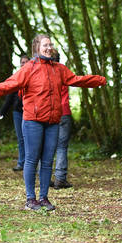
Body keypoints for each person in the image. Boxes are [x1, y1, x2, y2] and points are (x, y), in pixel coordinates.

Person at [0, 34, 106, 211]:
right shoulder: (29, 68)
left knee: (47, 161)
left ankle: (43, 198)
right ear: (37, 48)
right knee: (31, 160)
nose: (49, 47)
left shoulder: (59, 68)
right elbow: (8, 85)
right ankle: (30, 199)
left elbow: (76, 80)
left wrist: (98, 80)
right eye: (45, 45)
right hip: (32, 121)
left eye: (50, 45)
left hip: (52, 122)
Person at [0, 55, 30, 172]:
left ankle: (31, 164)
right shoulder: (16, 77)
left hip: (30, 112)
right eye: (22, 62)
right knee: (21, 139)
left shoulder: (33, 75)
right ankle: (21, 163)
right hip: (17, 112)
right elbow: (9, 97)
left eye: (26, 62)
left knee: (30, 139)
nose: (24, 64)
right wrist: (2, 112)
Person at [49, 48, 73, 189]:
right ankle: (60, 179)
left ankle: (45, 177)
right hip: (64, 111)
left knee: (46, 146)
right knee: (62, 147)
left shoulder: (44, 72)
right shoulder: (63, 70)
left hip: (50, 112)